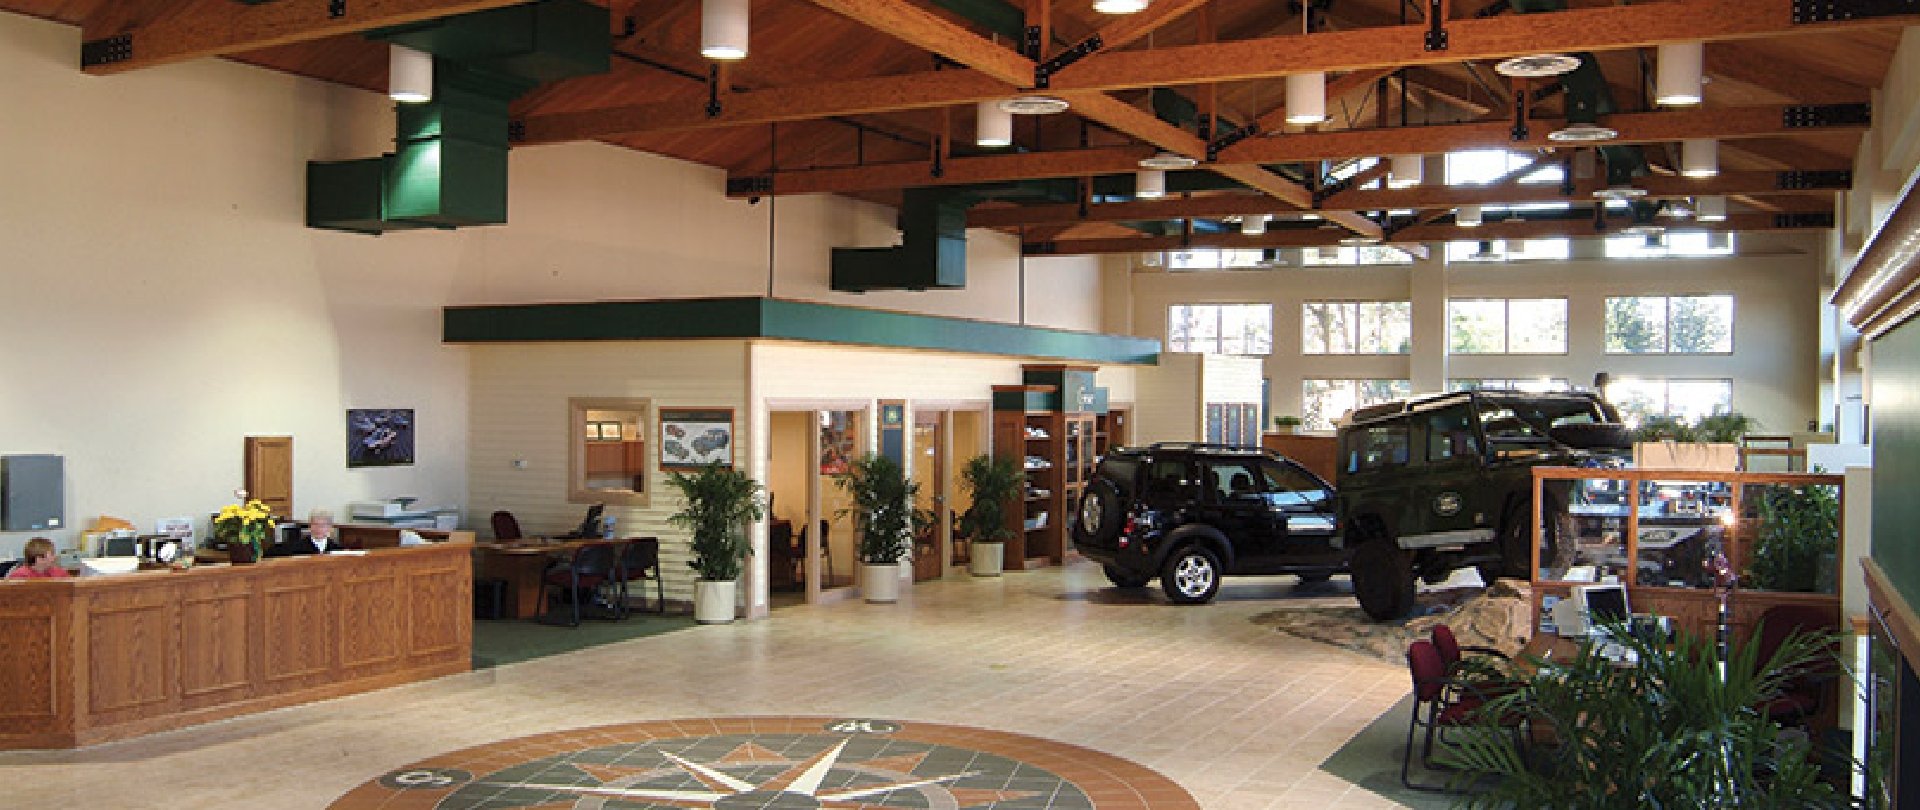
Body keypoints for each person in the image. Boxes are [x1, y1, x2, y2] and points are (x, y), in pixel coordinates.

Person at [265, 509, 338, 557]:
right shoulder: (297, 547)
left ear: (330, 528)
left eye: (322, 525)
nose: (318, 529)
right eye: (315, 524)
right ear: (309, 526)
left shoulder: (336, 549)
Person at [6, 537, 72, 579]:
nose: (54, 557)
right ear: (39, 558)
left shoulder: (60, 573)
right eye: (51, 554)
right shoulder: (20, 576)